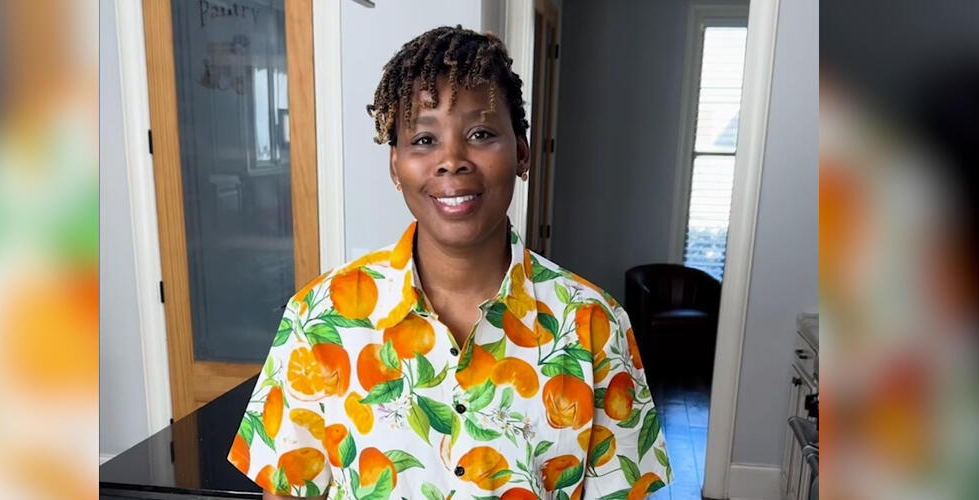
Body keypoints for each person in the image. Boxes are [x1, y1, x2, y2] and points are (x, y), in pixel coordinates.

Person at [229, 26, 670, 500]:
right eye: (423, 140)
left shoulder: (593, 325)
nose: (451, 160)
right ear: (395, 166)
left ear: (521, 153)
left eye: (480, 133)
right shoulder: (317, 320)